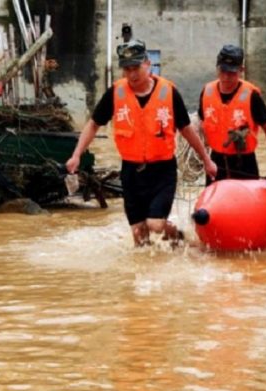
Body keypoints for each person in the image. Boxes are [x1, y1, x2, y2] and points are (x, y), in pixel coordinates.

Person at [65, 39, 217, 246]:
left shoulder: (169, 92)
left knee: (155, 224)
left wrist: (206, 160)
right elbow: (93, 124)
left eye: (136, 68)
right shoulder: (116, 93)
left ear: (148, 64)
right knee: (139, 235)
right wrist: (76, 155)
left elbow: (187, 129)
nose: (132, 74)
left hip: (162, 171)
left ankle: (178, 236)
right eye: (127, 69)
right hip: (131, 173)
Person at [199, 44, 266, 180]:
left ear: (241, 70)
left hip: (244, 162)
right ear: (217, 67)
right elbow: (200, 124)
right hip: (216, 161)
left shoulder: (252, 95)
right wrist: (204, 158)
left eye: (232, 73)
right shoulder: (207, 92)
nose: (226, 77)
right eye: (222, 71)